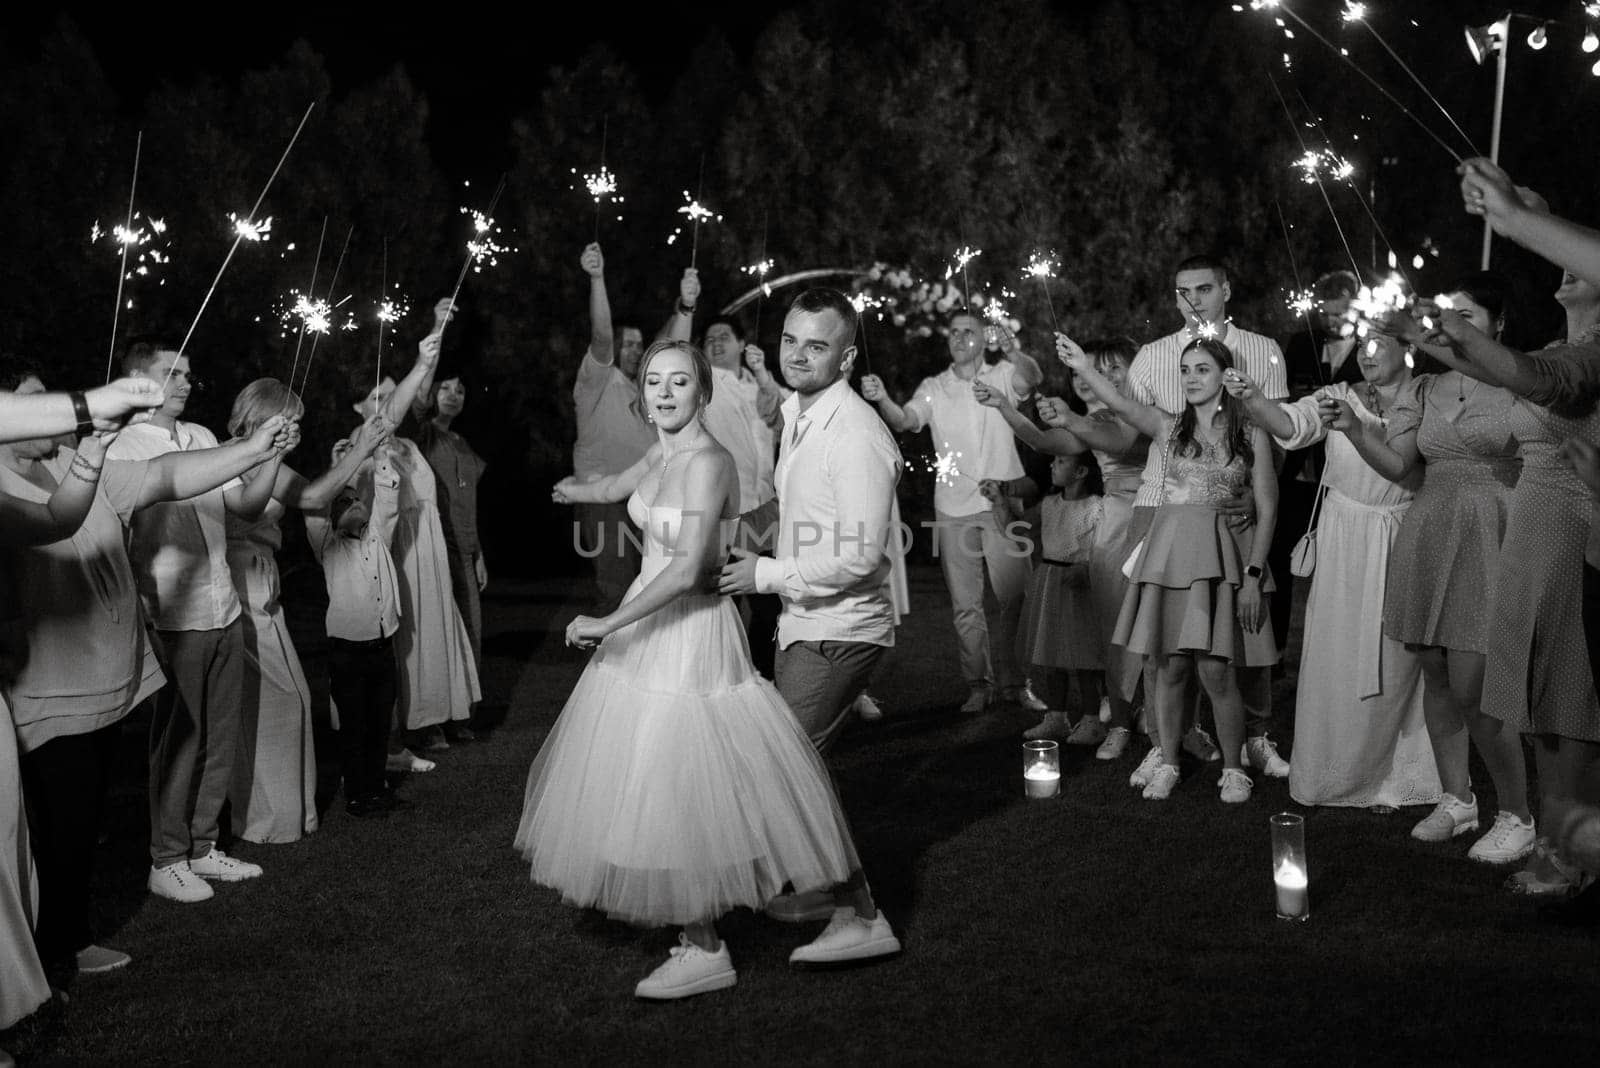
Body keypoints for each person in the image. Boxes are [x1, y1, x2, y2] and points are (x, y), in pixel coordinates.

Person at [522, 338, 894, 1000]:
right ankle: (721, 933)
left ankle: (719, 943)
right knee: (658, 776)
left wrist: (610, 621)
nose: (664, 393)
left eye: (679, 382)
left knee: (696, 777)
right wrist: (580, 486)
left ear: (703, 391)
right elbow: (621, 486)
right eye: (654, 383)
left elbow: (691, 565)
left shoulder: (707, 461)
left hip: (688, 631)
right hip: (649, 628)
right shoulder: (663, 450)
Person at [2, 359, 283, 980]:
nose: (53, 410)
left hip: (108, 680)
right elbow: (54, 523)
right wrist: (93, 440)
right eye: (36, 401)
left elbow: (164, 475)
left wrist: (253, 448)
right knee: (53, 829)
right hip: (47, 687)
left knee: (82, 824)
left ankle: (68, 941)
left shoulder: (68, 463)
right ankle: (45, 958)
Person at [716, 290, 906, 947]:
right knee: (796, 766)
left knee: (785, 765)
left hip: (841, 628)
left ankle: (862, 916)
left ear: (847, 357)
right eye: (791, 340)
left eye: (816, 345)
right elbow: (802, 509)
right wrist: (758, 540)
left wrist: (763, 574)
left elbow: (858, 555)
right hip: (807, 621)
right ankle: (817, 886)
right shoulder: (800, 409)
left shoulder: (857, 434)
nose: (797, 355)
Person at [1403, 271, 1600, 888]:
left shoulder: (1588, 358)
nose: (1564, 273)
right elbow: (1501, 373)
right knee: (1540, 698)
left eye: (1578, 266)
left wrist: (1454, 326)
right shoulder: (1553, 352)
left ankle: (1571, 852)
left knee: (1571, 696)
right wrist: (1421, 335)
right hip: (1532, 527)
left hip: (1573, 520)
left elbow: (1527, 381)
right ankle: (1553, 836)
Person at [1337, 275, 1533, 864]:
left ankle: (1518, 814)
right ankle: (1458, 798)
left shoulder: (1519, 381)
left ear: (1498, 326)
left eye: (1470, 318)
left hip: (1494, 531)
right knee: (1437, 673)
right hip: (1431, 529)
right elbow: (1400, 465)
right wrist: (1353, 430)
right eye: (1451, 318)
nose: (1456, 329)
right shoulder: (1423, 389)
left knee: (1479, 686)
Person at [0, 369, 165, 1022]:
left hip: (61, 681)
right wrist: (94, 404)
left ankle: (25, 980)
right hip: (37, 680)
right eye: (26, 403)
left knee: (17, 841)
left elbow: (52, 519)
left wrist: (91, 451)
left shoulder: (49, 469)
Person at [108, 338, 291, 903]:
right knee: (179, 740)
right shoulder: (122, 446)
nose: (186, 382)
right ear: (140, 380)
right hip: (172, 613)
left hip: (224, 607)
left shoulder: (205, 438)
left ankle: (204, 846)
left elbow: (245, 507)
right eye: (173, 373)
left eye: (188, 372)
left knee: (220, 733)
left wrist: (273, 454)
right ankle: (165, 858)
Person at [1062, 335, 1278, 803]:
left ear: (1224, 374)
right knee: (1170, 667)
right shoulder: (1169, 427)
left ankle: (1235, 767)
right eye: (1185, 370)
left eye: (1202, 369)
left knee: (1217, 672)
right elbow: (1119, 400)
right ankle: (1169, 760)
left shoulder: (1250, 431)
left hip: (1217, 561)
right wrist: (1083, 365)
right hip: (1169, 557)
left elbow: (1267, 507)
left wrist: (1254, 578)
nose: (1192, 378)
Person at [1226, 336, 1440, 810]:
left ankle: (1396, 774)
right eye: (1361, 344)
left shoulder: (1427, 397)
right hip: (1344, 539)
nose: (1366, 354)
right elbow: (1290, 424)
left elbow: (1408, 468)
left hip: (1398, 533)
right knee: (1337, 655)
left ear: (1407, 347)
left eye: (1379, 343)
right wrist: (1253, 397)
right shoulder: (1339, 394)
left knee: (1396, 658)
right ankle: (1336, 774)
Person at [1121, 255, 1292, 784]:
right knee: (1166, 649)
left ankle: (1253, 740)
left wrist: (1243, 488)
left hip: (1232, 509)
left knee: (1239, 640)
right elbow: (1132, 424)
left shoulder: (1264, 351)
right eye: (1182, 291)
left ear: (1225, 290)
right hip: (1163, 504)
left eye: (1203, 289)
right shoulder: (1152, 357)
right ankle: (1168, 743)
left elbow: (1281, 432)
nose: (1192, 299)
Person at [225, 381, 393, 842]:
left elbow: (317, 490)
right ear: (263, 415)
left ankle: (287, 815)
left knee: (293, 701)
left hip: (265, 583)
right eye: (290, 420)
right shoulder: (237, 455)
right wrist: (360, 448)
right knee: (278, 704)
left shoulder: (266, 460)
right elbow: (316, 500)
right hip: (237, 584)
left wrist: (354, 456)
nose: (297, 429)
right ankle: (265, 821)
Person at [861, 311, 1043, 713]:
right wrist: (882, 399)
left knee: (1015, 598)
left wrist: (1015, 350)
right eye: (954, 332)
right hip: (953, 507)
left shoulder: (1001, 375)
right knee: (966, 605)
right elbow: (907, 420)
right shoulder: (935, 387)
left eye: (969, 332)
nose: (959, 338)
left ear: (983, 338)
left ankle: (1018, 681)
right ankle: (979, 685)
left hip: (1002, 502)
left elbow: (1032, 378)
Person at [350, 322, 479, 750]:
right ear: (358, 407)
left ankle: (444, 713)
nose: (389, 404)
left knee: (439, 626)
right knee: (410, 635)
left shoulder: (409, 443)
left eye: (392, 395)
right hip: (400, 550)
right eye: (378, 398)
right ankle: (413, 721)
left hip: (431, 547)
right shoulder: (361, 444)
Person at [1029, 337, 1152, 757]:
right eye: (1093, 369)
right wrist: (1005, 407)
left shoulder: (1150, 406)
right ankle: (1119, 718)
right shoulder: (1097, 416)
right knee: (1114, 622)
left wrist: (1068, 419)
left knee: (1163, 620)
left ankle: (1163, 714)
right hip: (1118, 518)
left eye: (1113, 368)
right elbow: (1048, 444)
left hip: (1161, 510)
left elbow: (1123, 442)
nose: (1102, 377)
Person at [571, 245, 698, 610]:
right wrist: (597, 279)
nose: (635, 350)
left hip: (646, 497)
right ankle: (610, 657)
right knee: (615, 589)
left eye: (640, 345)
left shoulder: (647, 390)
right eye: (628, 344)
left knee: (651, 585)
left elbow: (677, 350)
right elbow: (600, 335)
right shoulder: (598, 380)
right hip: (603, 499)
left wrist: (686, 308)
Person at [306, 451, 409, 818]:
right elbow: (314, 507)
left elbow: (387, 496)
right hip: (347, 652)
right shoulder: (328, 547)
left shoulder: (378, 536)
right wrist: (340, 467)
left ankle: (376, 784)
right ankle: (356, 791)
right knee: (354, 724)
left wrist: (380, 458)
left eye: (355, 499)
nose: (352, 504)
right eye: (343, 501)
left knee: (380, 721)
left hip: (382, 648)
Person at [988, 453, 1106, 742]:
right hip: (1051, 582)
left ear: (1080, 471)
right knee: (1052, 655)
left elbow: (1105, 544)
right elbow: (1017, 529)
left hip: (1080, 585)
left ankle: (1092, 720)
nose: (1052, 465)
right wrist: (999, 501)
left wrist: (1087, 567)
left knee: (1085, 658)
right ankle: (1057, 718)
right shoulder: (1050, 504)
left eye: (1061, 461)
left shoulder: (1097, 506)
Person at [701, 314, 783, 678]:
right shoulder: (705, 385)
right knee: (724, 604)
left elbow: (783, 416)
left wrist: (762, 372)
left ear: (740, 343)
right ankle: (724, 679)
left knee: (769, 606)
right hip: (724, 512)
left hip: (764, 509)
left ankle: (762, 678)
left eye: (723, 336)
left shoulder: (758, 387)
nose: (715, 342)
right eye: (709, 339)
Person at [409, 367, 488, 701]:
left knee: (471, 627)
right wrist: (433, 345)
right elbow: (419, 400)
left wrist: (479, 552)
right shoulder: (422, 435)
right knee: (438, 629)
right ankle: (436, 714)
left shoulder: (461, 441)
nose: (455, 395)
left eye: (460, 389)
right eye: (447, 389)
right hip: (434, 545)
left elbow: (467, 499)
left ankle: (464, 710)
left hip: (464, 548)